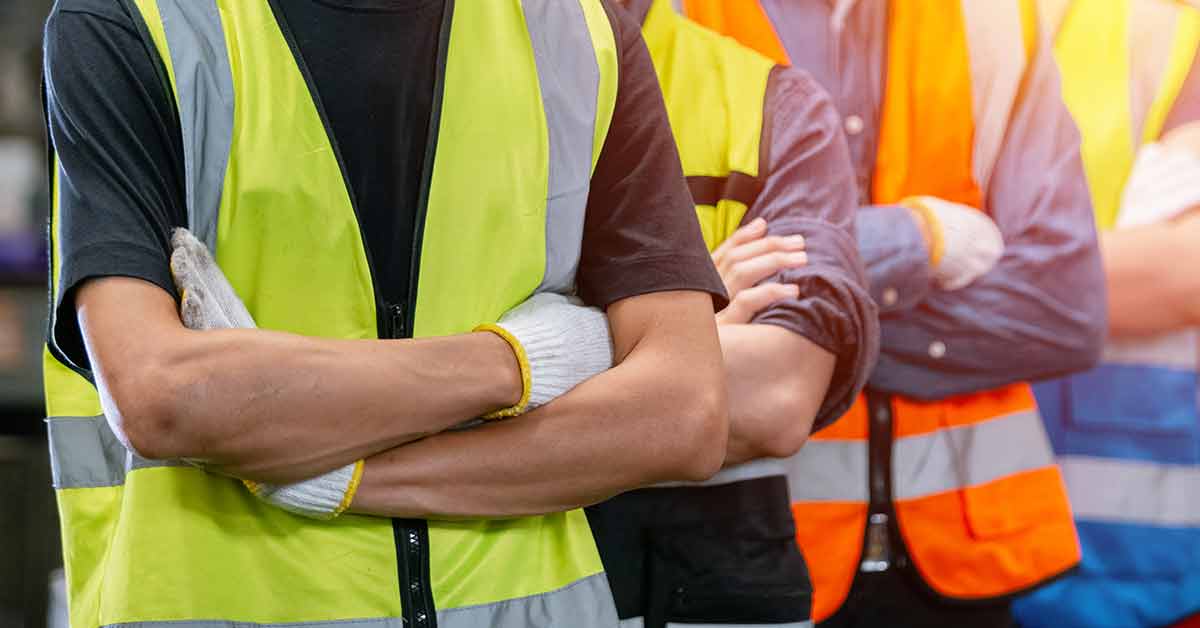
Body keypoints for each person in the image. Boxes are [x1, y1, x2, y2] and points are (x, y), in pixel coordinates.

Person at [41, 1, 734, 627]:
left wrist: (345, 479)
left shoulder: (582, 35)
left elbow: (684, 414)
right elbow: (161, 397)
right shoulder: (131, 26)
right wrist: (523, 362)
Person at [682, 2, 1107, 626]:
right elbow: (657, 292)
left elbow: (1065, 311)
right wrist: (917, 238)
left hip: (964, 563)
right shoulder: (673, 14)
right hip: (742, 550)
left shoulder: (992, 18)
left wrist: (802, 327)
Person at [585, 2, 879, 627]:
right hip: (492, 563)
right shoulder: (429, 85)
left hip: (708, 572)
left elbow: (776, 400)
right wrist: (688, 333)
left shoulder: (775, 108)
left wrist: (504, 363)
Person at [1011, 2, 1200, 626]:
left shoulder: (1176, 32)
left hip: (1144, 559)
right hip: (961, 533)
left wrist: (933, 265)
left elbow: (1181, 273)